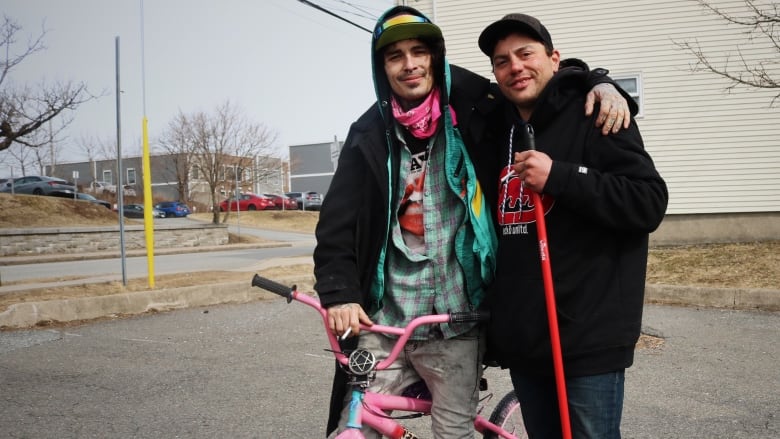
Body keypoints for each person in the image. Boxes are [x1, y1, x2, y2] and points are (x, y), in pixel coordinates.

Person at [313, 6, 632, 438]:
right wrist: (339, 294)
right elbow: (337, 222)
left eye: (420, 51)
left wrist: (597, 79)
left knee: (453, 431)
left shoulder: (476, 106)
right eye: (395, 56)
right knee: (355, 423)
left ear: (436, 55)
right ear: (380, 66)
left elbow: (534, 82)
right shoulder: (368, 133)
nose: (410, 65)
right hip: (385, 320)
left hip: (455, 320)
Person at [477, 13, 669, 438]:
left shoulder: (595, 112)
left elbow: (648, 201)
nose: (515, 67)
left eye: (526, 54)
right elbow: (435, 76)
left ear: (554, 59)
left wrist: (560, 178)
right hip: (527, 344)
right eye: (502, 60)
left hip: (585, 341)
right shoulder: (496, 126)